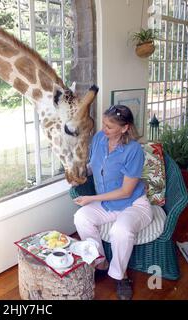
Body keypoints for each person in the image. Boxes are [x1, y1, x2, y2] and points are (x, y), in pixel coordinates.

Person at [73, 105, 152, 300]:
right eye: (104, 124)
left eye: (109, 126)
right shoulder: (100, 138)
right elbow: (94, 165)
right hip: (109, 205)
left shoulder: (134, 150)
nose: (104, 129)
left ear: (124, 128)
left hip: (134, 205)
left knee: (121, 231)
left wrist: (91, 198)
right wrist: (81, 174)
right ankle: (100, 262)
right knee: (81, 217)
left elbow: (126, 192)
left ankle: (121, 275)